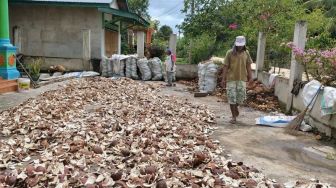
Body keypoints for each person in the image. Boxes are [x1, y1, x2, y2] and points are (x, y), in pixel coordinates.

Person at [221, 36, 253, 124]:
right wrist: (223, 79)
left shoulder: (246, 53)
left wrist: (251, 78)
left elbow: (248, 66)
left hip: (242, 78)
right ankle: (234, 116)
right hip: (231, 79)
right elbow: (225, 66)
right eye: (238, 45)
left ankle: (236, 109)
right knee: (231, 98)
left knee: (240, 98)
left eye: (241, 45)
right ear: (235, 44)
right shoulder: (230, 53)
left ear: (244, 44)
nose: (240, 47)